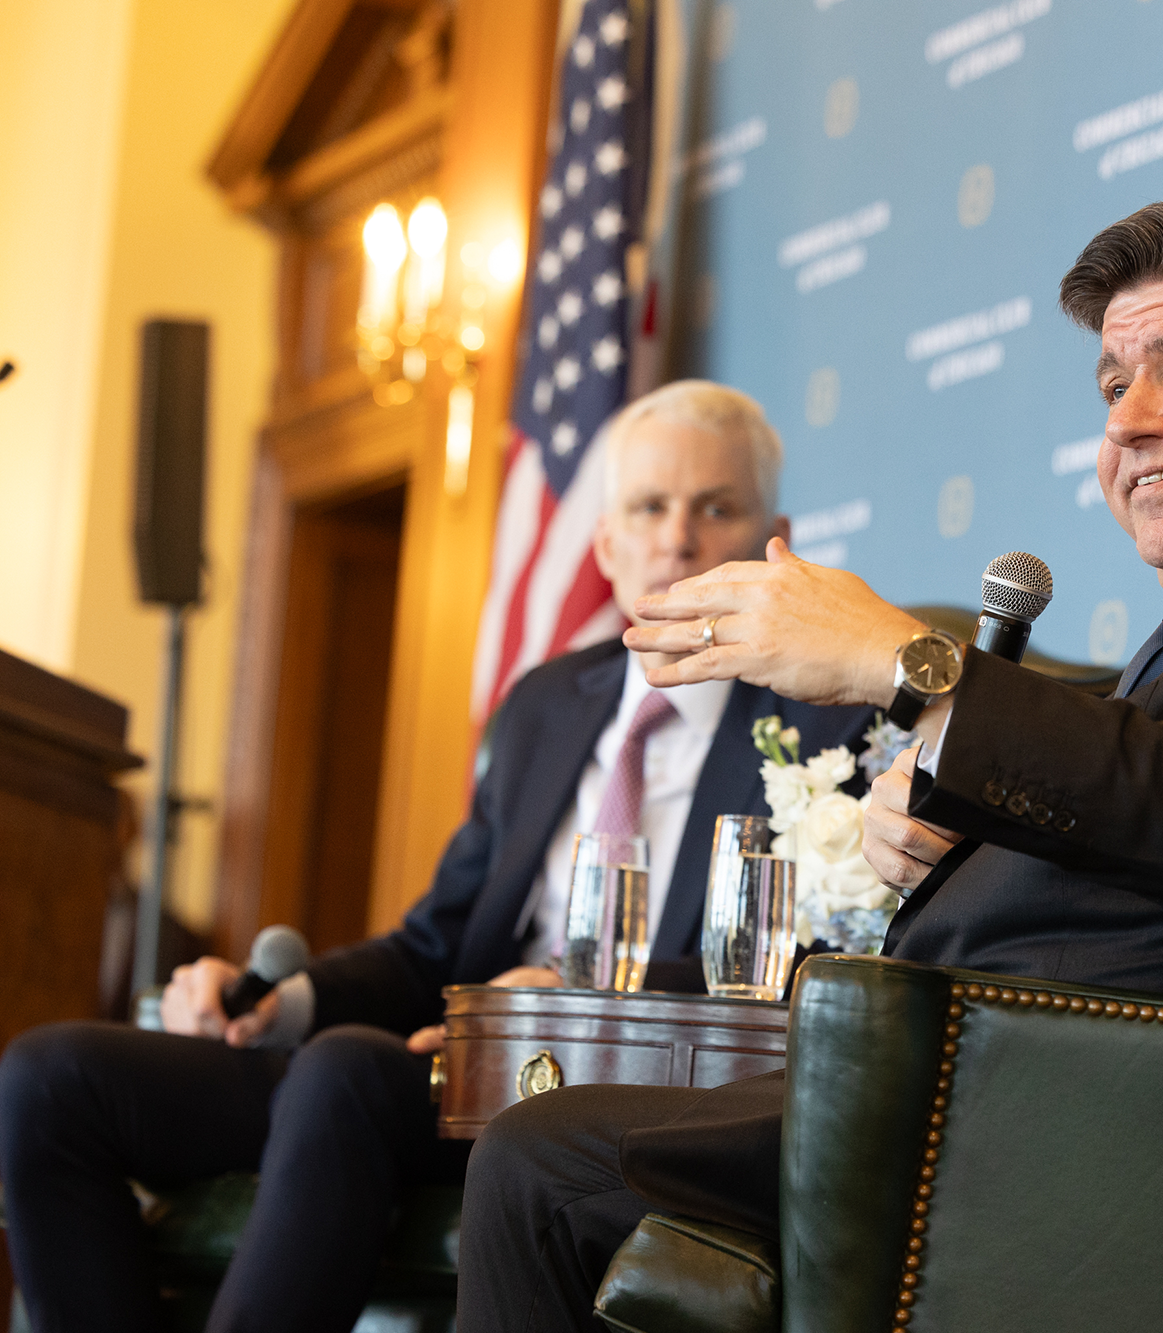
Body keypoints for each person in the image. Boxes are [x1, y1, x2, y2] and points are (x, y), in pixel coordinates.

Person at [452, 195, 1163, 1332]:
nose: (1127, 425)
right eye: (1114, 385)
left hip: (1090, 1115)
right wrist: (954, 841)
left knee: (532, 1160)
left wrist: (909, 664)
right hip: (1006, 1081)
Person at [0, 381, 874, 1333]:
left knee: (347, 1073)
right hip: (439, 1073)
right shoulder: (545, 706)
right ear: (608, 545)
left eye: (716, 507)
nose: (679, 537)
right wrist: (274, 999)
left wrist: (559, 1003)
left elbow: (803, 977)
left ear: (772, 536)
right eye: (649, 508)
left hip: (596, 1102)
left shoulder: (822, 725)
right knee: (51, 1075)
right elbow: (434, 946)